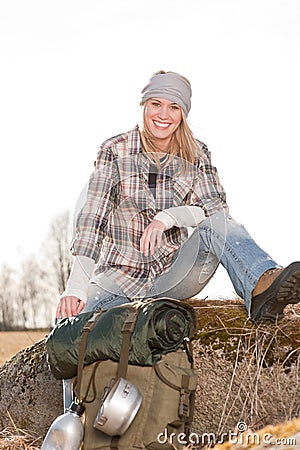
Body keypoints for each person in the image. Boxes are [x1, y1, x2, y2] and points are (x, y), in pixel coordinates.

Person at [56, 70, 300, 324]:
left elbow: (216, 209)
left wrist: (169, 217)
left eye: (174, 107)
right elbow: (93, 220)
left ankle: (262, 285)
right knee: (67, 329)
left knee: (218, 225)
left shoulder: (197, 153)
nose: (163, 115)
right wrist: (76, 287)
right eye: (156, 104)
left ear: (183, 113)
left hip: (174, 273)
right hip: (119, 279)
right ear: (144, 105)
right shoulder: (114, 151)